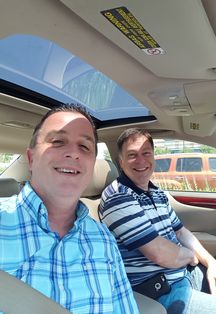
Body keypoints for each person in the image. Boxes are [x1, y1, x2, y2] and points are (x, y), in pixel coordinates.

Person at [0, 105, 139, 314]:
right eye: (57, 141)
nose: (73, 153)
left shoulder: (103, 238)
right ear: (31, 159)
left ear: (92, 164)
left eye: (84, 146)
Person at [99, 128, 216, 314]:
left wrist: (211, 264)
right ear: (121, 162)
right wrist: (190, 257)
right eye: (132, 155)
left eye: (146, 153)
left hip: (184, 275)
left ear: (153, 157)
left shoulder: (156, 193)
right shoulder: (118, 197)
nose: (141, 160)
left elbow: (180, 232)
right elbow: (158, 253)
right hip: (161, 292)